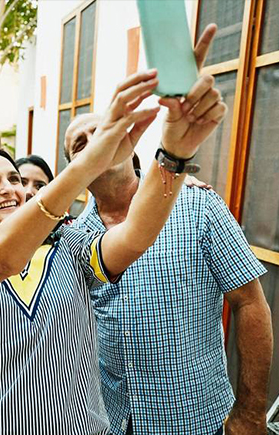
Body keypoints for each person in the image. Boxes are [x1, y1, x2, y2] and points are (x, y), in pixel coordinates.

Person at [0, 63, 226, 433]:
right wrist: (90, 160)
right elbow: (1, 259)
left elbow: (135, 237)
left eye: (14, 179)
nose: (9, 188)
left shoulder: (69, 244)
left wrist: (173, 156)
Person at [67, 25, 273, 435]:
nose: (95, 143)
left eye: (103, 130)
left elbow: (251, 305)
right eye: (79, 143)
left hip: (199, 422)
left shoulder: (195, 206)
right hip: (112, 423)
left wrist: (251, 412)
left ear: (127, 140)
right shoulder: (72, 240)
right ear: (73, 169)